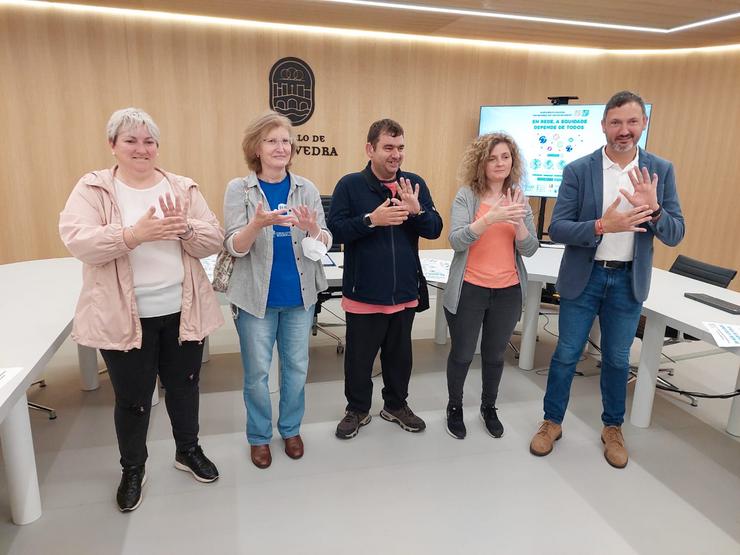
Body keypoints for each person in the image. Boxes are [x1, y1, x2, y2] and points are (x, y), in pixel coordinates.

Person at [59, 108, 224, 512]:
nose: (141, 148)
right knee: (133, 399)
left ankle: (187, 450)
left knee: (184, 388)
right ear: (112, 145)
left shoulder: (182, 187)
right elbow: (78, 240)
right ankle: (133, 468)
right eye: (130, 140)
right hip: (124, 315)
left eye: (149, 141)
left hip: (181, 311)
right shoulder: (94, 188)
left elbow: (214, 238)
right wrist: (134, 234)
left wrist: (184, 228)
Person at [529, 90, 685, 468]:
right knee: (566, 355)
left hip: (628, 281)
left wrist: (655, 209)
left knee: (616, 360)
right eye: (615, 122)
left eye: (632, 121)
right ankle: (552, 422)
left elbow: (675, 233)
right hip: (586, 277)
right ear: (603, 126)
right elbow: (559, 227)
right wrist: (602, 225)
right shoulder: (578, 170)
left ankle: (612, 427)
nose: (624, 130)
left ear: (643, 124)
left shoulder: (660, 171)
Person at [223, 111, 331, 469]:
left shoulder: (307, 189)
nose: (281, 147)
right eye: (272, 141)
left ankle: (290, 429)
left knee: (297, 369)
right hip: (256, 299)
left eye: (285, 140)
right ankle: (258, 436)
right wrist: (255, 224)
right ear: (256, 148)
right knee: (256, 374)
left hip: (299, 297)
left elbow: (324, 243)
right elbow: (234, 247)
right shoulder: (239, 190)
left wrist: (314, 229)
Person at [328, 118, 443, 440]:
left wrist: (417, 211)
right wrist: (371, 220)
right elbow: (335, 230)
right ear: (371, 149)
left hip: (404, 290)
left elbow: (434, 229)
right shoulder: (350, 185)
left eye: (401, 148)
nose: (396, 155)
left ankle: (396, 405)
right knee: (359, 359)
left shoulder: (414, 183)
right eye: (388, 147)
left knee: (400, 357)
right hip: (364, 292)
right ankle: (357, 409)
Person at [443, 133, 538, 439]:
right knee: (462, 353)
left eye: (505, 157)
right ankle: (454, 407)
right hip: (470, 287)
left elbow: (530, 248)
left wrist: (519, 222)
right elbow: (456, 240)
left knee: (495, 355)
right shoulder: (466, 196)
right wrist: (490, 219)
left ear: (513, 162)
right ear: (481, 163)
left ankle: (489, 407)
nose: (499, 163)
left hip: (508, 290)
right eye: (493, 158)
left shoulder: (519, 197)